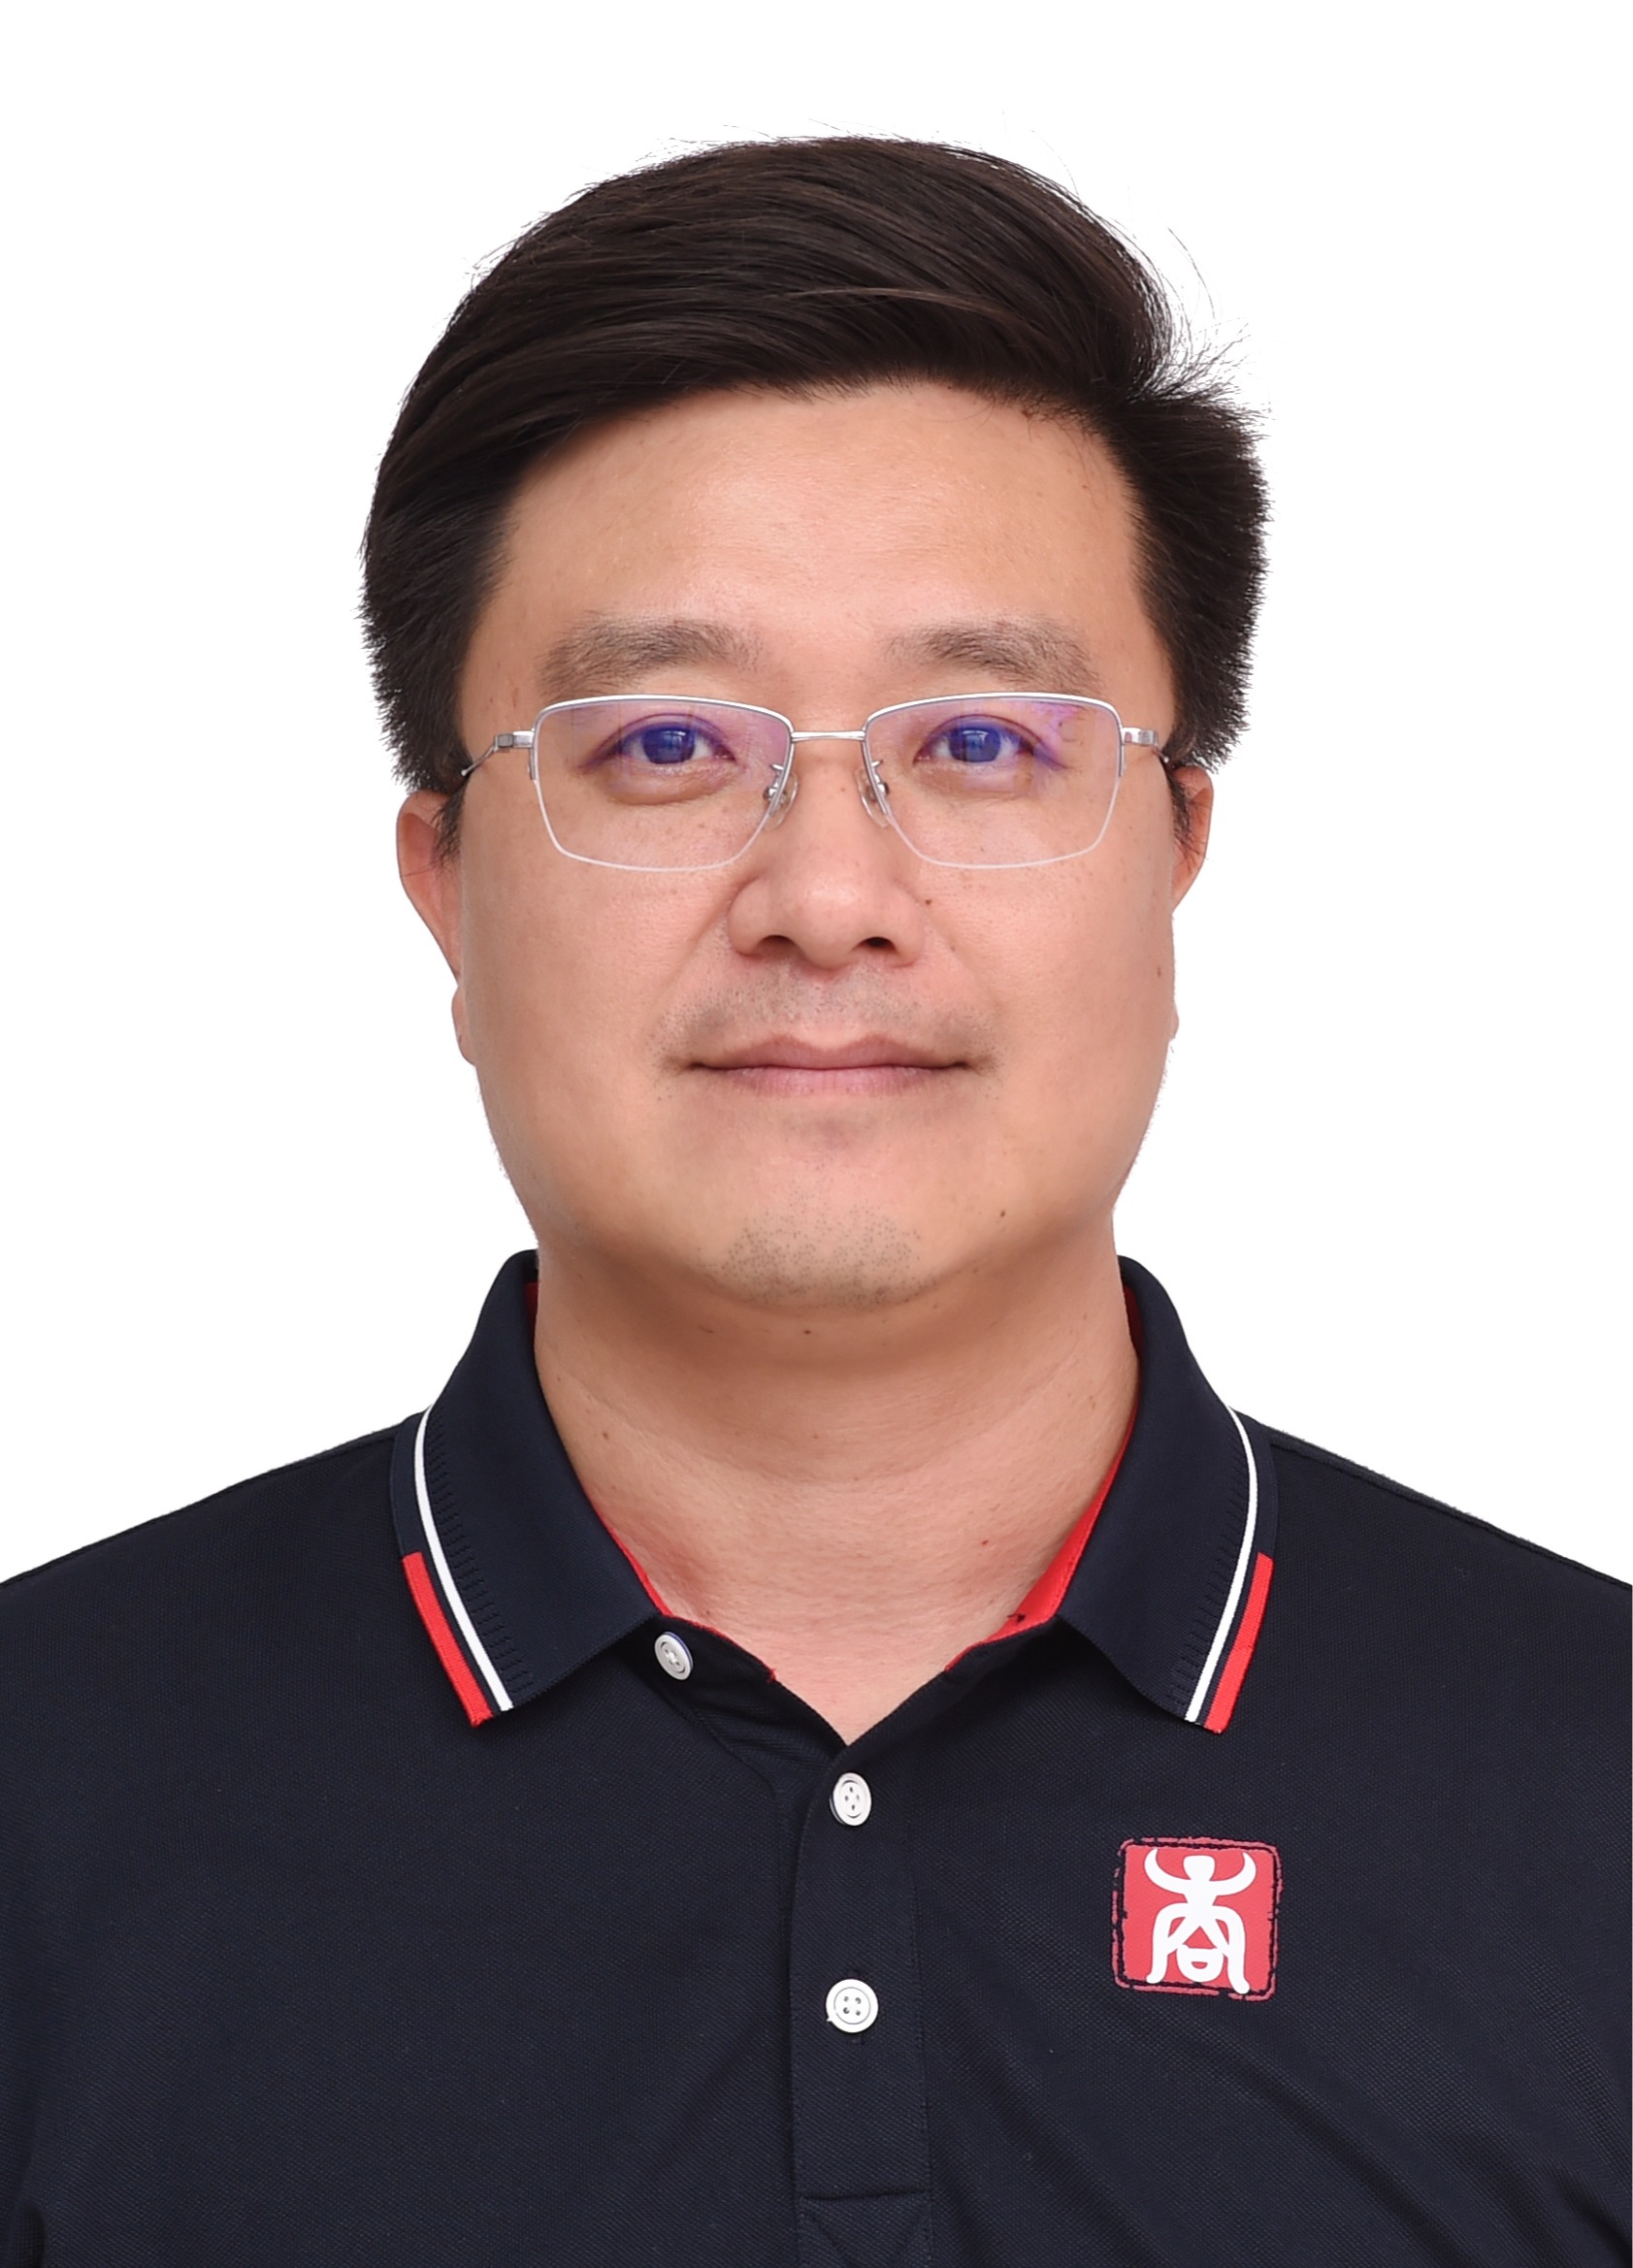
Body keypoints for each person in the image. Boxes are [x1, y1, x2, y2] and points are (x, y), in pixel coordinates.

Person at [0, 137, 1624, 2268]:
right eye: (665, 746)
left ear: (1176, 853)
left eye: (985, 742)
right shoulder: (46, 1796)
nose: (830, 896)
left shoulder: (1593, 1787)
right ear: (445, 887)